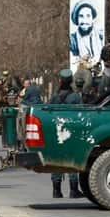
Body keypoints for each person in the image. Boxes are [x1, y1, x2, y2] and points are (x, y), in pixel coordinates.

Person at [49, 69, 83, 198]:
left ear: (60, 81)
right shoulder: (75, 97)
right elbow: (80, 115)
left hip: (57, 131)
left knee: (57, 160)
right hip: (70, 131)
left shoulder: (54, 96)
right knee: (72, 160)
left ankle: (56, 190)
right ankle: (74, 190)